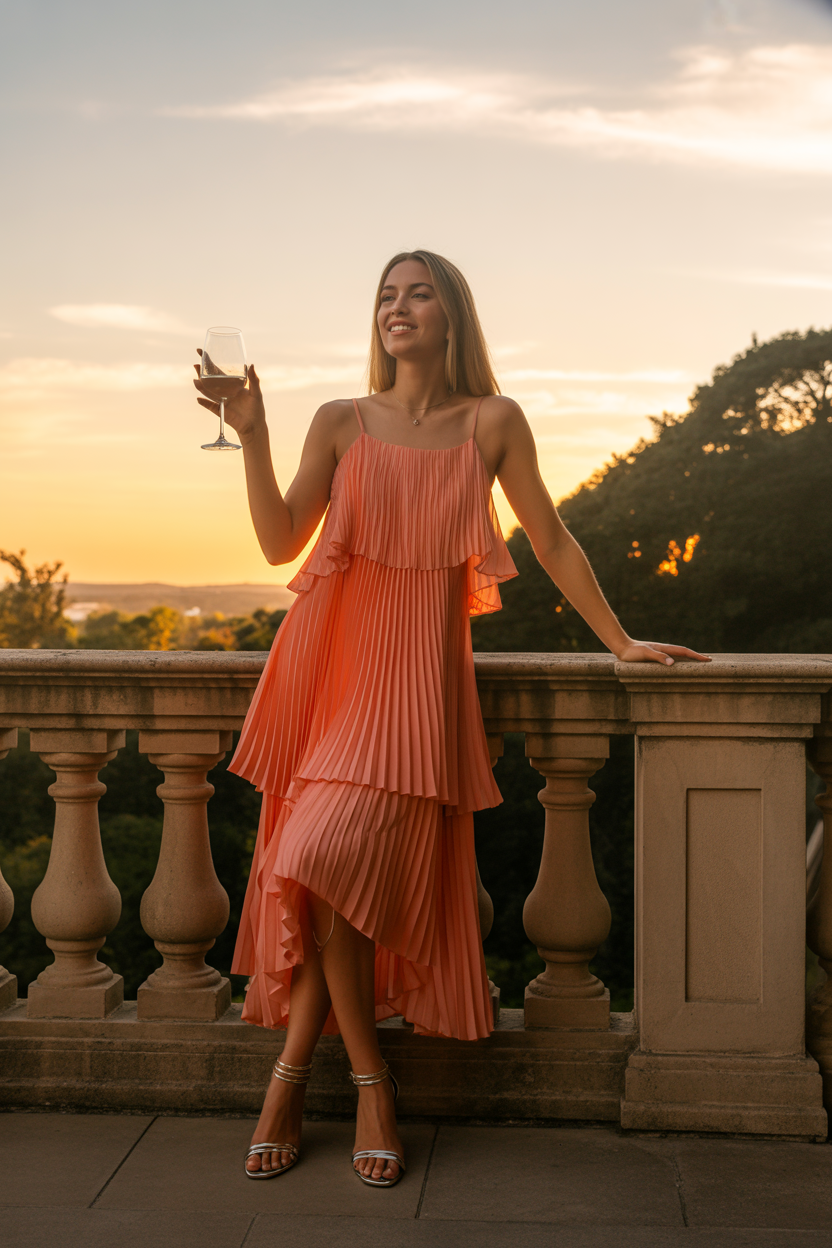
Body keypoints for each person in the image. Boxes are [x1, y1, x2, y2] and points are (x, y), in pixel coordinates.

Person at [193, 249, 709, 1188]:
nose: (398, 307)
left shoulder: (493, 422)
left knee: (331, 872)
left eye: (417, 292)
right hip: (327, 676)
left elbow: (548, 536)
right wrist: (253, 432)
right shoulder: (340, 421)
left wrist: (621, 641)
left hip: (418, 690)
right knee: (317, 872)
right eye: (386, 295)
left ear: (453, 314)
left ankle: (296, 1079)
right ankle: (360, 1080)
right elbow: (279, 543)